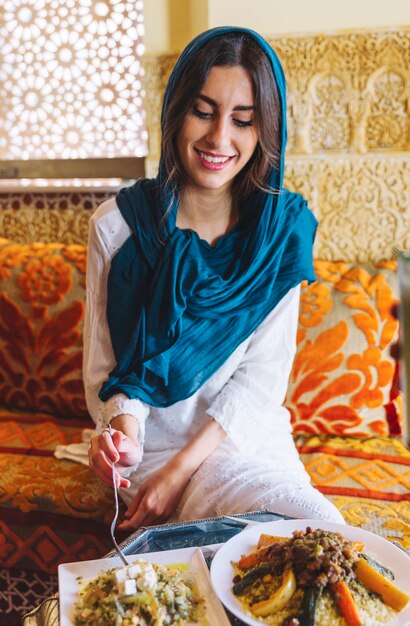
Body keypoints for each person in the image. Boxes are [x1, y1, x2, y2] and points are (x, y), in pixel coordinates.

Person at [84, 26, 345, 531]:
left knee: (315, 524)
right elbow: (106, 372)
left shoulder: (282, 232)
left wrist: (183, 473)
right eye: (203, 112)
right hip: (150, 448)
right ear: (175, 110)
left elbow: (260, 380)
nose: (219, 138)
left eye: (243, 121)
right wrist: (121, 436)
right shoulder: (116, 227)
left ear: (265, 131)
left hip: (243, 438)